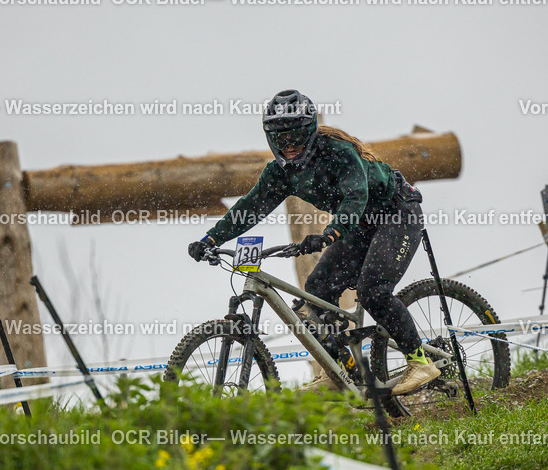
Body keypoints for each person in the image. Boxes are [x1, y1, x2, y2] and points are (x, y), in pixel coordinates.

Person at [188, 89, 439, 395]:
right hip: (359, 225)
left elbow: (355, 195)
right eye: (281, 139)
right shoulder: (279, 173)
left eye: (295, 137)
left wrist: (331, 233)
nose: (289, 146)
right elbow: (249, 208)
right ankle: (341, 372)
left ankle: (420, 361)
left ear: (309, 133)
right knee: (317, 290)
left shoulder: (337, 152)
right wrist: (211, 238)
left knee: (372, 291)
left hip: (396, 213)